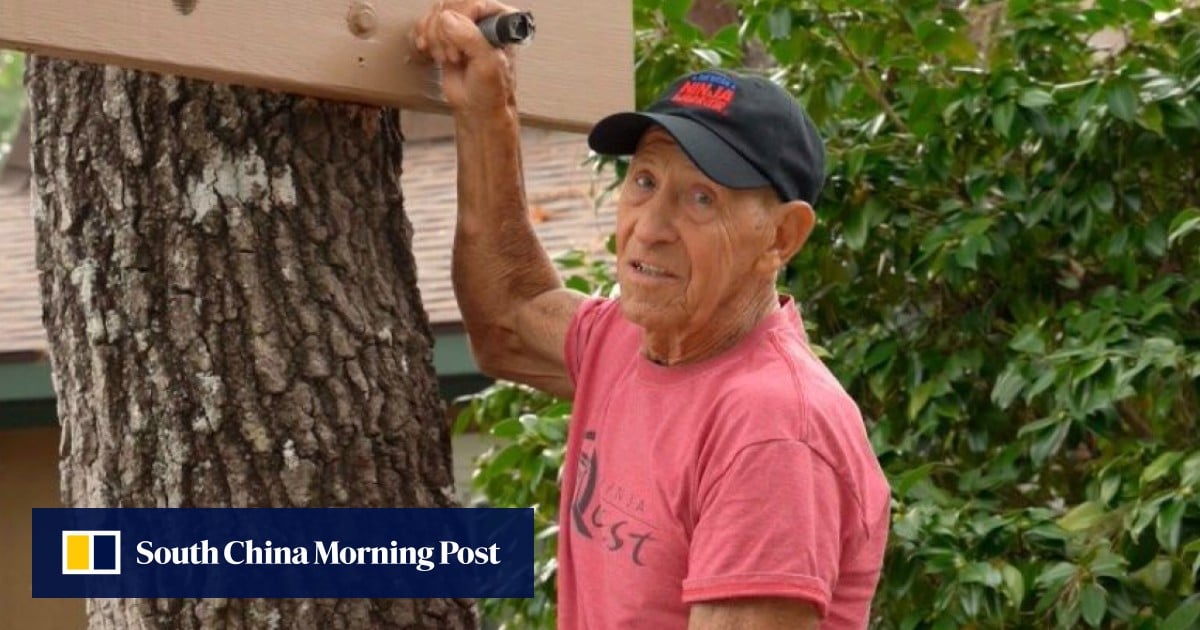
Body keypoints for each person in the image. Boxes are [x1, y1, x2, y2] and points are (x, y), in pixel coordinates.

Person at [414, 2, 890, 628]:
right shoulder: (629, 340)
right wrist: (486, 107)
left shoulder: (772, 430)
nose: (651, 229)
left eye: (701, 198)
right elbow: (510, 316)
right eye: (643, 181)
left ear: (781, 237)